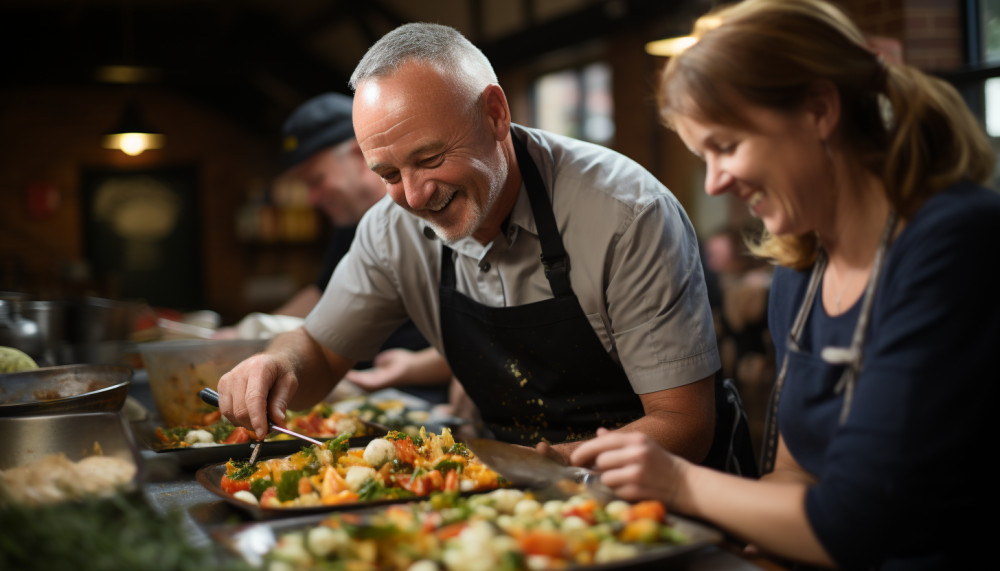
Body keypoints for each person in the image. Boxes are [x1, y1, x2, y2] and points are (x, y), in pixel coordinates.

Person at [570, 0, 999, 568]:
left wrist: (676, 482)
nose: (714, 183)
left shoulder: (954, 243)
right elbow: (794, 473)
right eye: (703, 156)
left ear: (819, 110)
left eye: (726, 147)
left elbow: (858, 522)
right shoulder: (800, 272)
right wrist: (769, 537)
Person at [218, 22, 729, 467]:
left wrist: (546, 468)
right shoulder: (389, 230)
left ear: (495, 113)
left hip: (662, 501)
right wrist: (278, 364)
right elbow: (320, 351)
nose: (414, 196)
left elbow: (683, 425)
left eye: (430, 159)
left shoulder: (625, 212)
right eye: (389, 174)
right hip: (509, 487)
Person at [225, 92, 453, 402]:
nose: (311, 198)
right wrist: (247, 338)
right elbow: (323, 299)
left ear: (360, 155)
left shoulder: (434, 212)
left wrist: (422, 369)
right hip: (372, 387)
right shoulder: (355, 223)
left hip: (426, 396)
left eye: (316, 180)